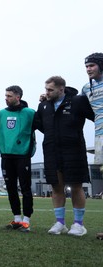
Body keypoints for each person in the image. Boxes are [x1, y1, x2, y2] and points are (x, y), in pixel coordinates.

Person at [35, 76, 94, 236]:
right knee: (56, 186)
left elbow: (96, 116)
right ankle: (60, 223)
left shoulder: (77, 101)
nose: (46, 92)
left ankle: (78, 225)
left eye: (50, 90)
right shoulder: (44, 106)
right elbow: (42, 126)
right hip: (51, 151)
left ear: (61, 89)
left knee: (76, 186)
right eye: (46, 89)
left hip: (74, 150)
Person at [0, 85, 35, 232]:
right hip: (6, 156)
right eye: (5, 96)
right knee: (11, 188)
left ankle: (26, 221)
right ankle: (17, 219)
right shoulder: (0, 114)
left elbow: (43, 126)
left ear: (18, 97)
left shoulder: (30, 113)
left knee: (25, 188)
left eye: (9, 96)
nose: (6, 98)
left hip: (23, 156)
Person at [81, 53, 103, 239]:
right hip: (100, 135)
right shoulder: (87, 87)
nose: (88, 69)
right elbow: (81, 107)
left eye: (92, 65)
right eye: (87, 66)